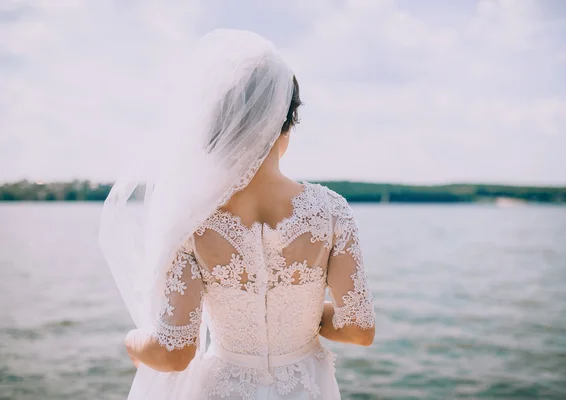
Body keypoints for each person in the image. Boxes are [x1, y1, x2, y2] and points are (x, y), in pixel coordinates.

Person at [100, 29, 375, 400]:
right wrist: (305, 314)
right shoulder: (332, 211)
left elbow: (174, 353)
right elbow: (359, 329)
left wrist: (132, 342)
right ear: (287, 121)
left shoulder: (193, 219)